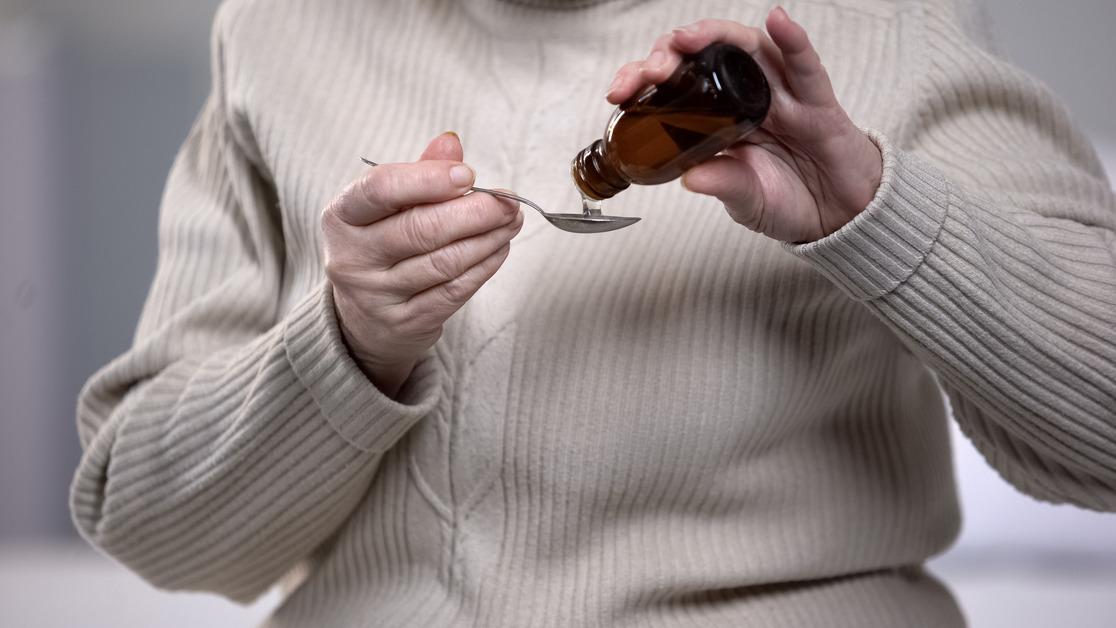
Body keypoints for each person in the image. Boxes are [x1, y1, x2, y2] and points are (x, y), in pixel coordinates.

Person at [70, 0, 1116, 625]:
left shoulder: (878, 24)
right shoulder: (279, 32)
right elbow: (155, 528)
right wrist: (349, 345)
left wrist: (874, 212)